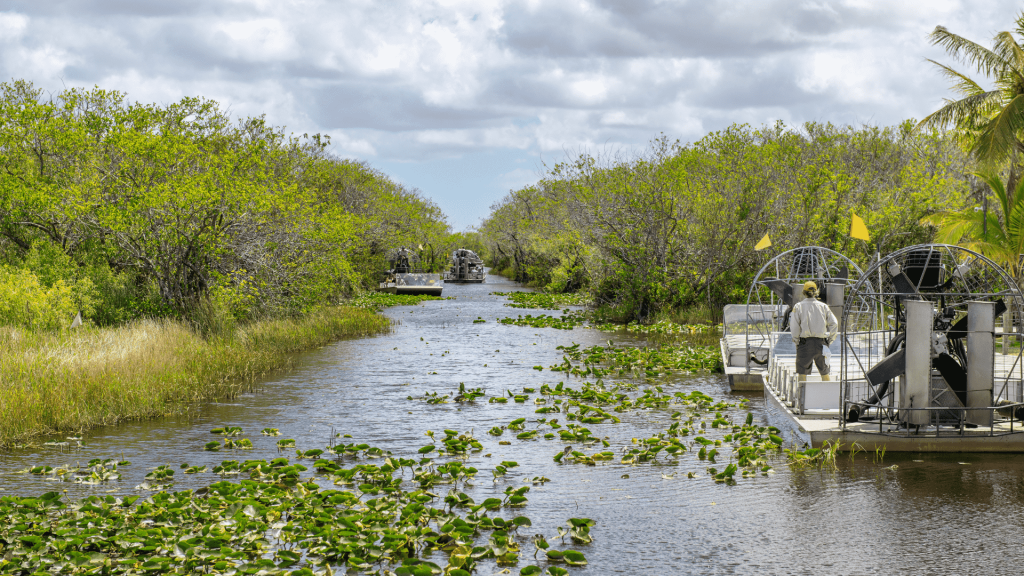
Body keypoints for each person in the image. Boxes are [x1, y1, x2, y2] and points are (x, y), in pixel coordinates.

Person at [790, 281, 839, 381]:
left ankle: (801, 395)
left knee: (802, 373)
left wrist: (796, 341)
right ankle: (827, 394)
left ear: (804, 292)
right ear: (816, 292)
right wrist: (830, 340)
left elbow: (794, 327)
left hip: (804, 343)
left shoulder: (798, 306)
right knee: (825, 372)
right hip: (821, 343)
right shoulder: (824, 306)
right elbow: (834, 323)